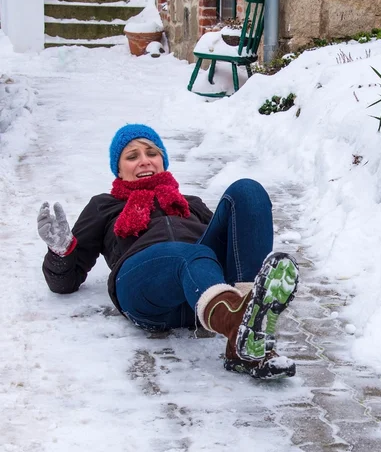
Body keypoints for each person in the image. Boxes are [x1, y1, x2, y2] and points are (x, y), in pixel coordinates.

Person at [37, 124, 299, 380]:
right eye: (132, 156)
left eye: (152, 153)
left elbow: (229, 245)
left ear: (163, 160)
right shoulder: (104, 206)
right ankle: (238, 322)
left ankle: (244, 330)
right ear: (118, 169)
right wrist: (60, 253)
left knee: (247, 192)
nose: (144, 161)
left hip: (199, 288)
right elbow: (65, 283)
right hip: (144, 288)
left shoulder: (189, 203)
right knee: (189, 255)